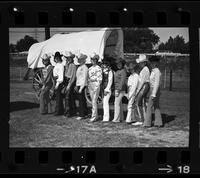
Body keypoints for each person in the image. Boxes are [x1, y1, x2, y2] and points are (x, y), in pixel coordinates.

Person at [144, 56, 163, 127]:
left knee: (149, 106)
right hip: (153, 90)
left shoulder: (157, 71)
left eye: (153, 62)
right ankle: (158, 122)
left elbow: (156, 83)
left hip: (155, 90)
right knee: (156, 106)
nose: (152, 63)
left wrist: (154, 94)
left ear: (156, 63)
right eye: (151, 62)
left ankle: (147, 123)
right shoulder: (153, 70)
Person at [132, 54, 150, 126]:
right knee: (142, 102)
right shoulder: (145, 69)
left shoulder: (145, 70)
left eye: (141, 63)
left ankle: (140, 119)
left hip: (144, 86)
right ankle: (144, 119)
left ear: (144, 63)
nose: (139, 64)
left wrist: (137, 91)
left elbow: (142, 82)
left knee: (138, 102)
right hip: (145, 85)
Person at [88, 53, 103, 122]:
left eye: (94, 59)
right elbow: (88, 77)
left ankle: (94, 116)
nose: (93, 60)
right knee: (92, 101)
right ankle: (94, 115)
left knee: (94, 101)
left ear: (96, 60)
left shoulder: (98, 68)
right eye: (92, 59)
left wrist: (97, 85)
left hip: (95, 84)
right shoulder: (90, 68)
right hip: (91, 84)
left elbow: (99, 78)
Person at [112, 58, 127, 122]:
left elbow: (122, 81)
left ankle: (116, 119)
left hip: (120, 90)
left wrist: (118, 90)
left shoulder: (123, 71)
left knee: (116, 104)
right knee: (119, 104)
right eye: (117, 64)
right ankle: (121, 117)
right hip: (117, 89)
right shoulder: (118, 71)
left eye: (120, 64)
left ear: (122, 64)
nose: (118, 65)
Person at [63, 51, 77, 117]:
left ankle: (68, 112)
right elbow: (66, 74)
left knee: (67, 97)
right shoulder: (68, 65)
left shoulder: (73, 65)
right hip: (67, 81)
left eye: (69, 58)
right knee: (70, 97)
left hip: (70, 82)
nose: (68, 59)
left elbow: (73, 76)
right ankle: (72, 111)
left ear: (72, 58)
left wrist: (69, 84)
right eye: (67, 58)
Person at [75, 53, 88, 120]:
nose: (79, 60)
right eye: (79, 59)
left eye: (80, 59)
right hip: (79, 85)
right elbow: (78, 77)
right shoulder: (79, 67)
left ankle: (82, 114)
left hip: (82, 85)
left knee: (81, 100)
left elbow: (84, 78)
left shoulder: (85, 68)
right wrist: (77, 85)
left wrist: (81, 87)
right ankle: (85, 113)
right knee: (82, 99)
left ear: (83, 60)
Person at [52, 51, 65, 116]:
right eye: (55, 58)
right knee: (57, 97)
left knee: (58, 97)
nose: (56, 59)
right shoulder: (57, 65)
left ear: (59, 58)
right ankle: (59, 110)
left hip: (59, 82)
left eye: (57, 58)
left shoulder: (60, 65)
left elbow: (61, 76)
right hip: (56, 81)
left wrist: (57, 84)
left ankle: (58, 111)